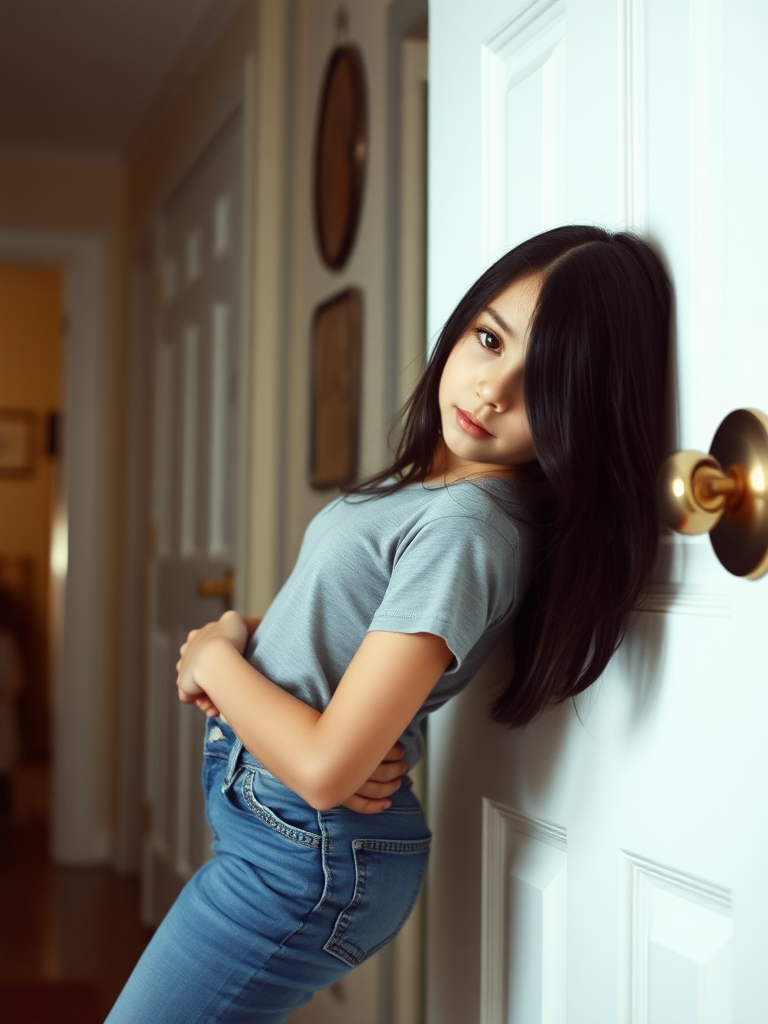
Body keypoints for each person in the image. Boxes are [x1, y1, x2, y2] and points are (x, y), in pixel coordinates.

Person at [107, 225, 670, 1023]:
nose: (490, 392)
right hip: (293, 831)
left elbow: (329, 769)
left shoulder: (468, 526)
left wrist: (214, 659)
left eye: (541, 380)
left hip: (309, 848)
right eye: (487, 340)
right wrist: (242, 637)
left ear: (586, 409)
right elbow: (349, 625)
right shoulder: (439, 495)